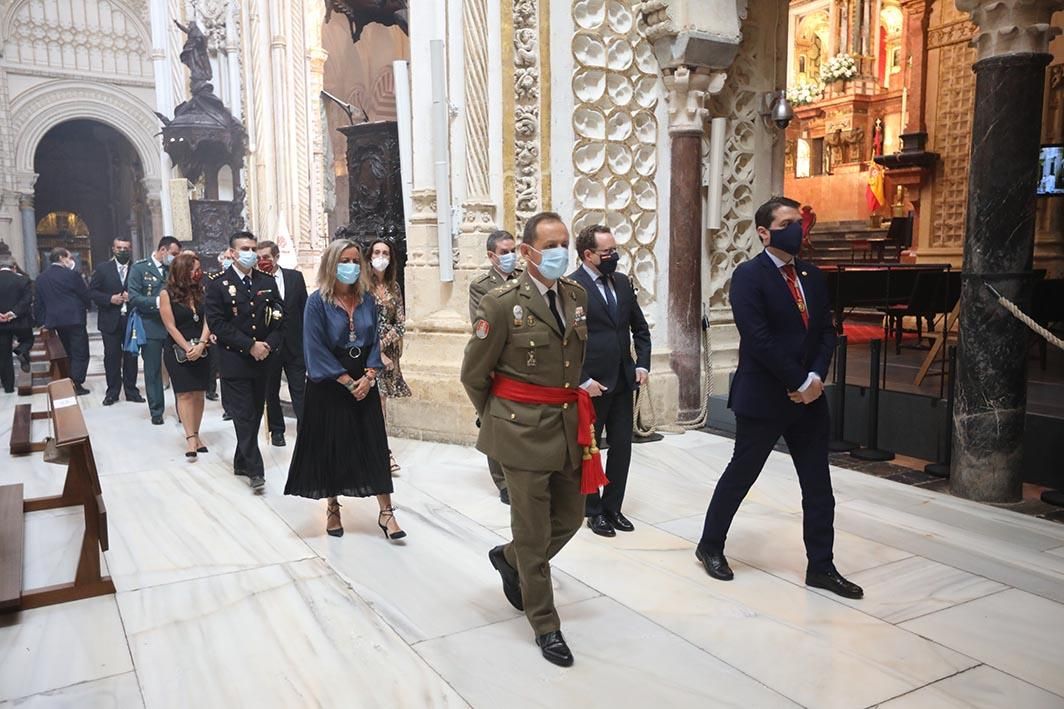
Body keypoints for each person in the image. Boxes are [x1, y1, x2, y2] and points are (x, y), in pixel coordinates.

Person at [695, 196, 863, 600]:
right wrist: (796, 380)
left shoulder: (811, 274)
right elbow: (758, 338)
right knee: (741, 475)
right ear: (764, 232)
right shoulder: (749, 277)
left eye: (799, 221)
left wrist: (815, 377)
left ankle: (821, 566)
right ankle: (710, 545)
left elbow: (826, 330)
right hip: (766, 395)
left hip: (809, 397)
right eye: (787, 222)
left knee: (818, 485)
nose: (797, 228)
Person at [461, 211, 603, 668]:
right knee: (533, 529)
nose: (560, 252)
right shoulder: (503, 303)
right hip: (519, 431)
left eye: (564, 242)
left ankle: (508, 559)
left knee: (571, 516)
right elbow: (474, 373)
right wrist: (499, 418)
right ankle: (545, 622)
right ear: (527, 252)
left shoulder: (576, 296)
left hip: (565, 426)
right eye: (551, 244)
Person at [285, 239, 405, 540]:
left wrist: (369, 375)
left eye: (355, 261)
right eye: (344, 261)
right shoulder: (316, 302)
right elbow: (314, 349)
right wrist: (348, 382)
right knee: (331, 445)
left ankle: (387, 512)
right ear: (331, 265)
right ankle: (332, 506)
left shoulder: (366, 299)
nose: (351, 267)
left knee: (374, 444)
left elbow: (374, 341)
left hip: (363, 376)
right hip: (329, 382)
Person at [569, 224, 651, 537]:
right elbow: (566, 342)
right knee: (590, 449)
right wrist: (582, 379)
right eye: (606, 252)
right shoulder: (572, 288)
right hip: (592, 385)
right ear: (588, 255)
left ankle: (613, 507)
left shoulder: (620, 282)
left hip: (622, 381)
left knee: (622, 447)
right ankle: (593, 510)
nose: (612, 256)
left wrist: (642, 364)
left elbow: (639, 329)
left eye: (614, 251)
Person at [204, 231, 285, 493]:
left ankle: (240, 460)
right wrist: (249, 345)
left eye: (253, 248)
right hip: (234, 360)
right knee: (243, 414)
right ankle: (255, 470)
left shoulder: (266, 282)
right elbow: (218, 323)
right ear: (232, 253)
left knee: (253, 411)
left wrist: (268, 345)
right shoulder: (217, 284)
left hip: (263, 359)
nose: (250, 253)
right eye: (245, 249)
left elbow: (279, 318)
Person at [468, 229, 521, 504]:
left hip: (522, 358)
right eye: (504, 252)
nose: (510, 256)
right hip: (495, 359)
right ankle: (501, 481)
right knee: (494, 420)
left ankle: (520, 474)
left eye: (512, 250)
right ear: (491, 256)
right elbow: (481, 326)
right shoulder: (481, 285)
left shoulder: (523, 278)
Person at [256, 240, 308, 447]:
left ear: (276, 257)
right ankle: (276, 430)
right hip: (270, 345)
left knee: (300, 390)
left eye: (266, 257)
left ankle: (305, 429)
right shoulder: (256, 281)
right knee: (271, 390)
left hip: (295, 344)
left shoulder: (294, 277)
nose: (262, 262)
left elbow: (304, 309)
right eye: (259, 258)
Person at [161, 252, 212, 460]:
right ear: (182, 271)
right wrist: (188, 348)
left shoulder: (202, 291)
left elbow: (209, 318)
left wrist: (200, 344)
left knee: (199, 393)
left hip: (202, 346)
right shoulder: (167, 294)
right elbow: (170, 326)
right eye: (193, 269)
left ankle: (197, 434)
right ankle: (190, 438)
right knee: (184, 394)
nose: (197, 273)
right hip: (177, 349)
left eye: (198, 269)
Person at [367, 238, 410, 474]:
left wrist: (384, 345)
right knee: (376, 403)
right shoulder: (362, 287)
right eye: (377, 252)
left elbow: (400, 323)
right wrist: (376, 349)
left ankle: (379, 450)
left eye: (385, 252)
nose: (381, 256)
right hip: (369, 354)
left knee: (382, 402)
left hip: (390, 354)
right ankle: (383, 453)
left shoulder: (394, 287)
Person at [129, 236, 183, 424]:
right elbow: (134, 298)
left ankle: (182, 410)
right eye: (173, 253)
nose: (176, 258)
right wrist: (160, 302)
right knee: (152, 371)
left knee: (178, 369)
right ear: (162, 250)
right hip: (150, 326)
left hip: (174, 327)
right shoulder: (139, 268)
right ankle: (156, 411)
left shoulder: (174, 269)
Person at [88, 238, 144, 406]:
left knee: (131, 356)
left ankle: (131, 391)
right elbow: (92, 292)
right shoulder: (103, 269)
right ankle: (112, 392)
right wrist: (109, 299)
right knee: (111, 356)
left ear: (131, 249)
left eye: (125, 248)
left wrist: (132, 297)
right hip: (109, 319)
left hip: (131, 320)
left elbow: (144, 291)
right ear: (113, 249)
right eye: (119, 248)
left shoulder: (138, 268)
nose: (122, 251)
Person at [33, 248, 91, 395]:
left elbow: (38, 302)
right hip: (74, 318)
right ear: (61, 257)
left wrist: (41, 321)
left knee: (68, 350)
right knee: (80, 352)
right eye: (69, 257)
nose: (70, 260)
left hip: (55, 320)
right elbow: (84, 294)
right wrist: (88, 306)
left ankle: (70, 379)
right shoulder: (72, 275)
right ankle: (76, 383)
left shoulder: (41, 278)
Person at [206, 248, 234, 411]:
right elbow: (211, 309)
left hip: (241, 330)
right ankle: (228, 408)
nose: (227, 261)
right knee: (223, 370)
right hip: (222, 331)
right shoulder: (214, 281)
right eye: (225, 258)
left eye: (230, 258)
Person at [0, 255, 33, 393]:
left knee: (3, 355)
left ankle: (8, 387)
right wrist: (12, 313)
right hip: (20, 322)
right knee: (28, 339)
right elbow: (27, 301)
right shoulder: (23, 280)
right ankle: (21, 350)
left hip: (0, 324)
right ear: (13, 267)